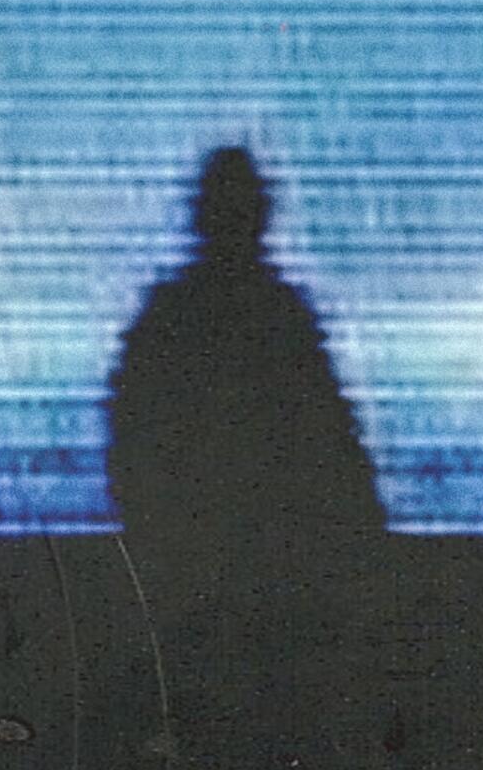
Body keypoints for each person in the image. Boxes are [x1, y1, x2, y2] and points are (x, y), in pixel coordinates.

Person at [105, 146, 387, 634]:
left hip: (198, 570)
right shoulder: (281, 319)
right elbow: (333, 442)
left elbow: (132, 445)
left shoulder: (174, 318)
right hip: (268, 570)